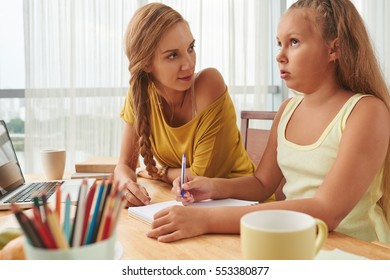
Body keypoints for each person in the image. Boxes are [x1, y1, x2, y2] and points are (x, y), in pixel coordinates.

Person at [147, 0, 390, 243]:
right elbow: (262, 184)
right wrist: (212, 187)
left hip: (357, 251)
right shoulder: (287, 110)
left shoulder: (366, 112)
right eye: (279, 44)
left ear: (333, 49)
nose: (280, 56)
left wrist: (207, 219)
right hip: (299, 243)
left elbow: (326, 210)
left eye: (294, 42)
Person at [115, 3, 256, 207]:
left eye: (191, 48)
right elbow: (125, 165)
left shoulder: (209, 84)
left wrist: (160, 172)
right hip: (191, 206)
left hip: (240, 206)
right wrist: (125, 184)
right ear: (146, 64)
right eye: (173, 55)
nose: (189, 63)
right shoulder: (139, 94)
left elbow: (198, 178)